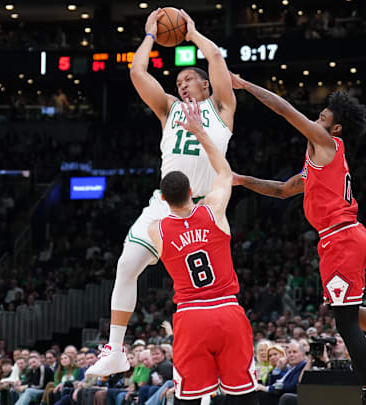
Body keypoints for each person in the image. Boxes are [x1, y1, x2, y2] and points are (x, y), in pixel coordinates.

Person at [230, 73, 366, 405]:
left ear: (335, 128)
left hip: (343, 238)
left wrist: (245, 84)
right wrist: (239, 179)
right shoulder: (316, 162)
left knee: (344, 322)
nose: (313, 120)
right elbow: (282, 190)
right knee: (349, 312)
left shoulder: (328, 144)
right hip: (339, 239)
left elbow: (283, 110)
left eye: (320, 118)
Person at [88, 7, 238, 377]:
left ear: (206, 85)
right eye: (179, 80)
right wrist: (151, 34)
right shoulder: (168, 108)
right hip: (163, 206)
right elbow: (138, 72)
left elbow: (215, 56)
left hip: (205, 207)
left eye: (189, 78)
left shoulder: (222, 108)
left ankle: (215, 364)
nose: (182, 83)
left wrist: (192, 32)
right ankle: (116, 348)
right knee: (126, 265)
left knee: (207, 294)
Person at [143, 98, 257, 404]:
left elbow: (165, 211)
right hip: (227, 311)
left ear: (164, 199)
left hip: (191, 317)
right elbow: (224, 172)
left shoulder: (157, 229)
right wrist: (199, 132)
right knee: (242, 396)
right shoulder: (214, 211)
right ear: (192, 191)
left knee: (189, 399)